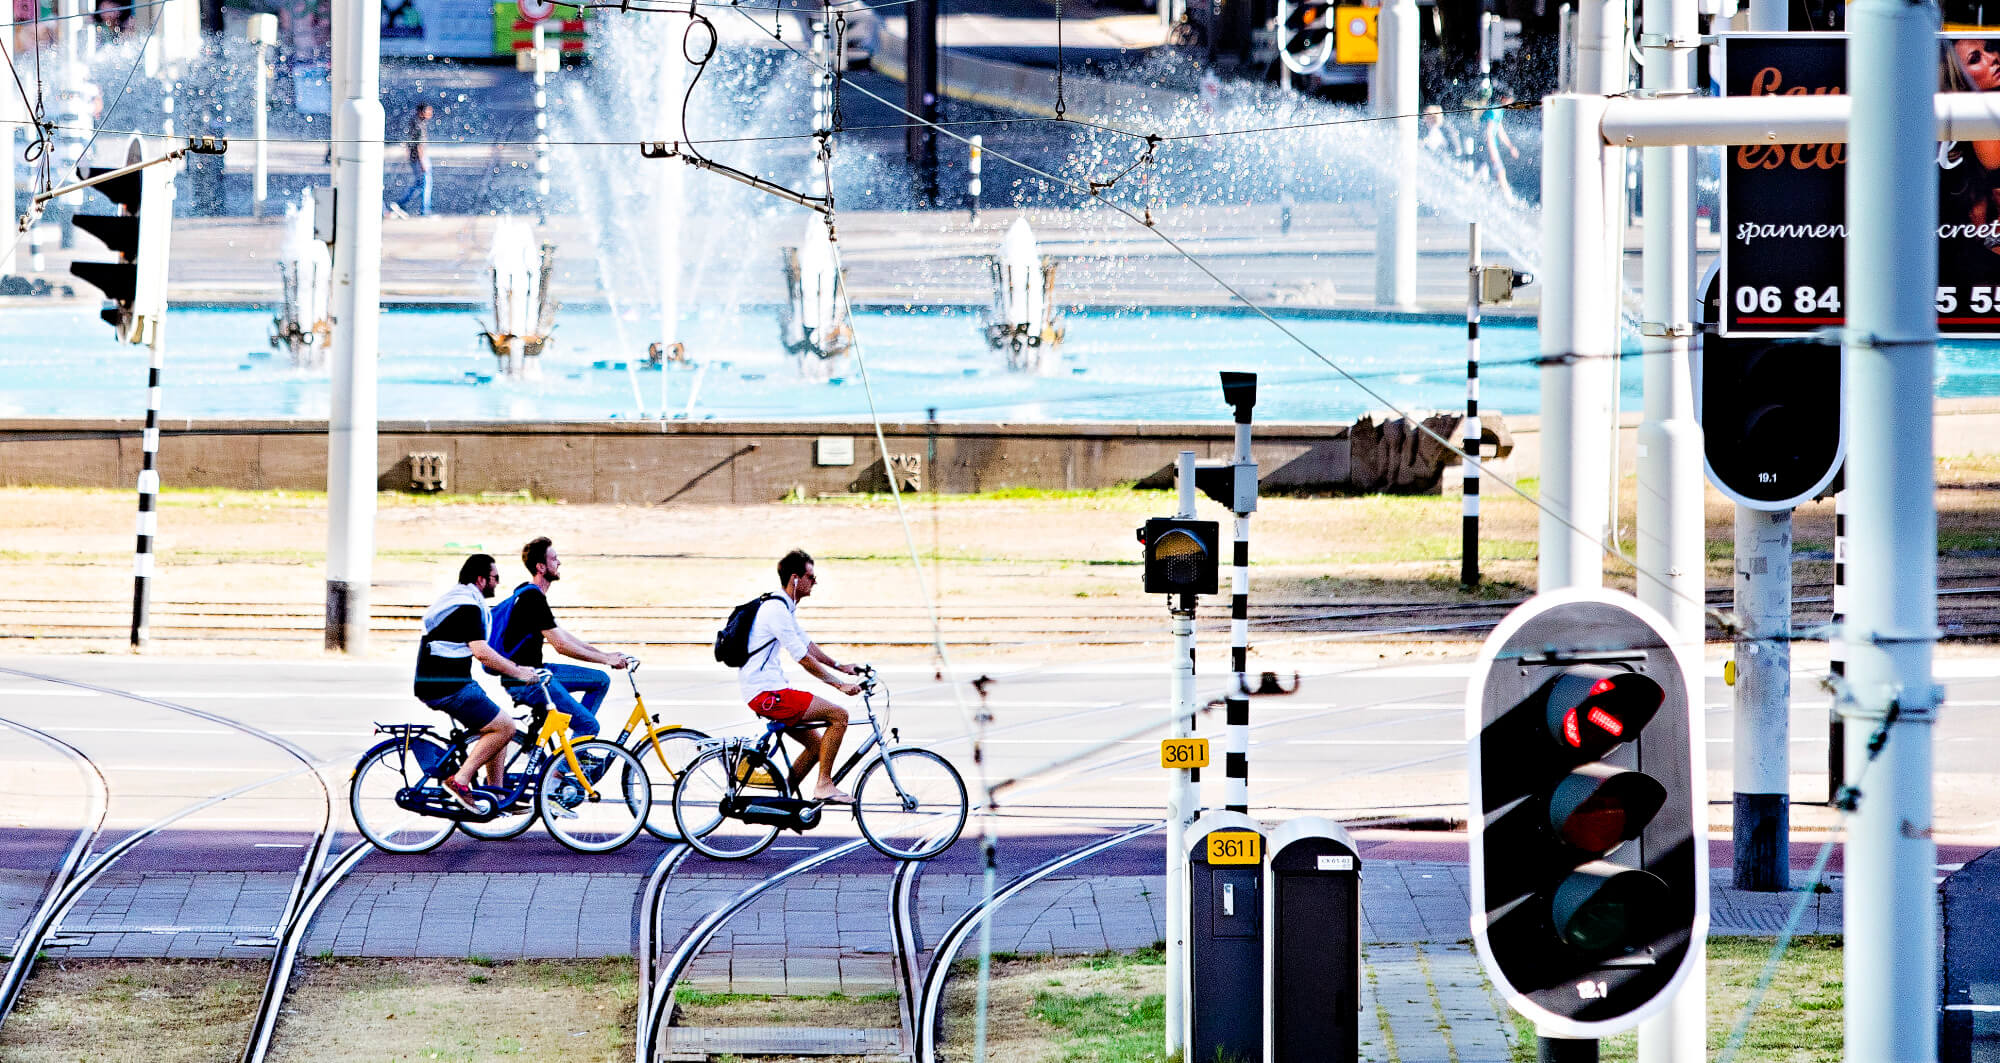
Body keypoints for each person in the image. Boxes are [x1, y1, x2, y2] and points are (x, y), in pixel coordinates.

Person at [415, 554, 547, 811]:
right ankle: (460, 781)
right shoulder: (468, 607)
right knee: (505, 728)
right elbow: (482, 652)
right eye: (495, 578)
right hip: (448, 686)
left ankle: (497, 796)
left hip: (444, 682)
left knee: (497, 726)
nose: (498, 583)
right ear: (481, 579)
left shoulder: (458, 600)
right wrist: (519, 671)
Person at [736, 549, 863, 804]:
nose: (815, 582)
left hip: (770, 691)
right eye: (811, 576)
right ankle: (824, 784)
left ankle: (783, 804)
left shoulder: (784, 606)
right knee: (839, 715)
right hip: (767, 694)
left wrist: (841, 666)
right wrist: (839, 686)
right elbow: (803, 659)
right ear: (795, 578)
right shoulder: (776, 610)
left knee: (817, 746)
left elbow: (808, 646)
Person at [490, 536, 632, 740]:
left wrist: (605, 654)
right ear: (541, 567)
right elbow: (561, 645)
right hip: (527, 680)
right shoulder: (532, 598)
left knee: (600, 680)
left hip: (538, 672)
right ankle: (563, 770)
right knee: (588, 725)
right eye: (554, 559)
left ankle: (573, 752)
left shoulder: (530, 594)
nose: (559, 563)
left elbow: (563, 635)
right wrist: (605, 660)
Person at [1478, 88, 1520, 199]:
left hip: (1485, 147)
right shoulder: (1494, 111)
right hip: (1487, 147)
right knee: (1500, 173)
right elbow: (1489, 134)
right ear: (1504, 99)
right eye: (1510, 100)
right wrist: (1493, 153)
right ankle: (1509, 202)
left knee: (1482, 174)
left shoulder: (1498, 110)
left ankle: (1497, 199)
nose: (1511, 103)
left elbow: (1500, 132)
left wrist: (1511, 147)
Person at [392, 103, 433, 217]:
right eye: (428, 111)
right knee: (425, 183)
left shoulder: (416, 123)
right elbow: (419, 146)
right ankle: (424, 210)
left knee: (420, 184)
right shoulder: (418, 125)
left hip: (416, 158)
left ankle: (401, 203)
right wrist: (422, 162)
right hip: (420, 159)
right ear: (421, 112)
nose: (430, 114)